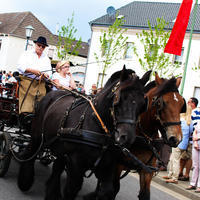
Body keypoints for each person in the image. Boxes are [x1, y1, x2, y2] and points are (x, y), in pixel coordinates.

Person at [17, 36, 51, 114]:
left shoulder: (46, 59)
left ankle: (39, 114)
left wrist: (46, 75)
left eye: (43, 46)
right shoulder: (27, 54)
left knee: (42, 96)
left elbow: (49, 74)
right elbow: (20, 66)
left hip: (40, 83)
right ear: (35, 44)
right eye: (39, 45)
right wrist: (32, 71)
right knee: (28, 98)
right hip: (27, 80)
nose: (40, 48)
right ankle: (25, 113)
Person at [163, 104, 193, 184]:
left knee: (175, 160)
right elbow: (191, 133)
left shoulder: (180, 120)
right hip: (185, 143)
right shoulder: (190, 122)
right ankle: (170, 174)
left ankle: (174, 178)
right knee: (174, 159)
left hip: (178, 142)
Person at [179, 97, 200, 181]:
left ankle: (186, 175)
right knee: (183, 156)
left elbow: (196, 126)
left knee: (189, 158)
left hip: (192, 140)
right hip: (187, 139)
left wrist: (192, 136)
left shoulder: (195, 112)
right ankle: (180, 172)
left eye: (189, 102)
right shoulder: (190, 112)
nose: (187, 104)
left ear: (193, 104)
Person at [186, 120, 200, 192]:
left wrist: (197, 138)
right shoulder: (199, 122)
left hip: (198, 141)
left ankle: (199, 186)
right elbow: (195, 131)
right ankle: (193, 183)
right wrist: (195, 142)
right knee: (195, 165)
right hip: (196, 144)